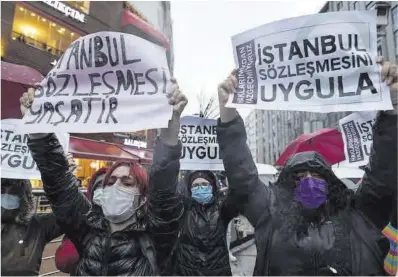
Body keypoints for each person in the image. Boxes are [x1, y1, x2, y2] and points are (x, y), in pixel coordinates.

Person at [215, 58, 397, 275]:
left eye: (317, 175)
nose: (309, 180)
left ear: (330, 181)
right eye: (300, 176)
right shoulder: (271, 215)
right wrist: (228, 116)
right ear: (288, 185)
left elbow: (383, 175)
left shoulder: (359, 213)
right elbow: (243, 178)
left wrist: (392, 110)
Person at [21, 81, 188, 276]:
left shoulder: (155, 237)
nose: (115, 186)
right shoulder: (88, 230)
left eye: (127, 182)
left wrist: (168, 134)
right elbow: (59, 184)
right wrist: (38, 129)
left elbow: (164, 190)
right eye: (111, 181)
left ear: (143, 198)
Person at [166, 170, 239, 275]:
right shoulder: (183, 208)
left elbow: (240, 194)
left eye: (204, 184)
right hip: (186, 270)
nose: (200, 188)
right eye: (195, 185)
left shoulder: (222, 208)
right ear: (190, 189)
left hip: (217, 270)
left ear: (212, 187)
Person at [55, 167, 108, 274]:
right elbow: (64, 261)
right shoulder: (82, 218)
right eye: (99, 185)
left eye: (108, 186)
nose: (102, 190)